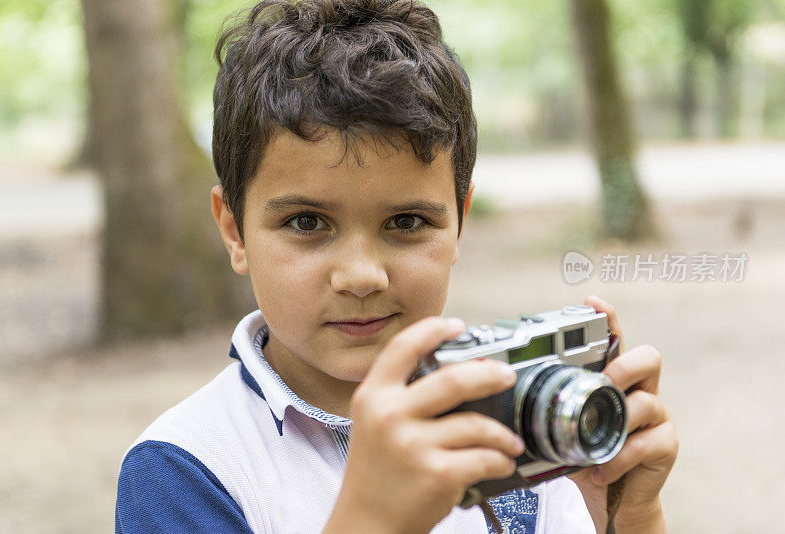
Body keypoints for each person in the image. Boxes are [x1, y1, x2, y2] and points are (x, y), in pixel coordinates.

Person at [114, 0, 678, 532]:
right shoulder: (187, 468)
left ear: (459, 221)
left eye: (406, 222)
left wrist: (627, 517)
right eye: (307, 223)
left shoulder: (518, 424)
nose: (362, 276)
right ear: (234, 230)